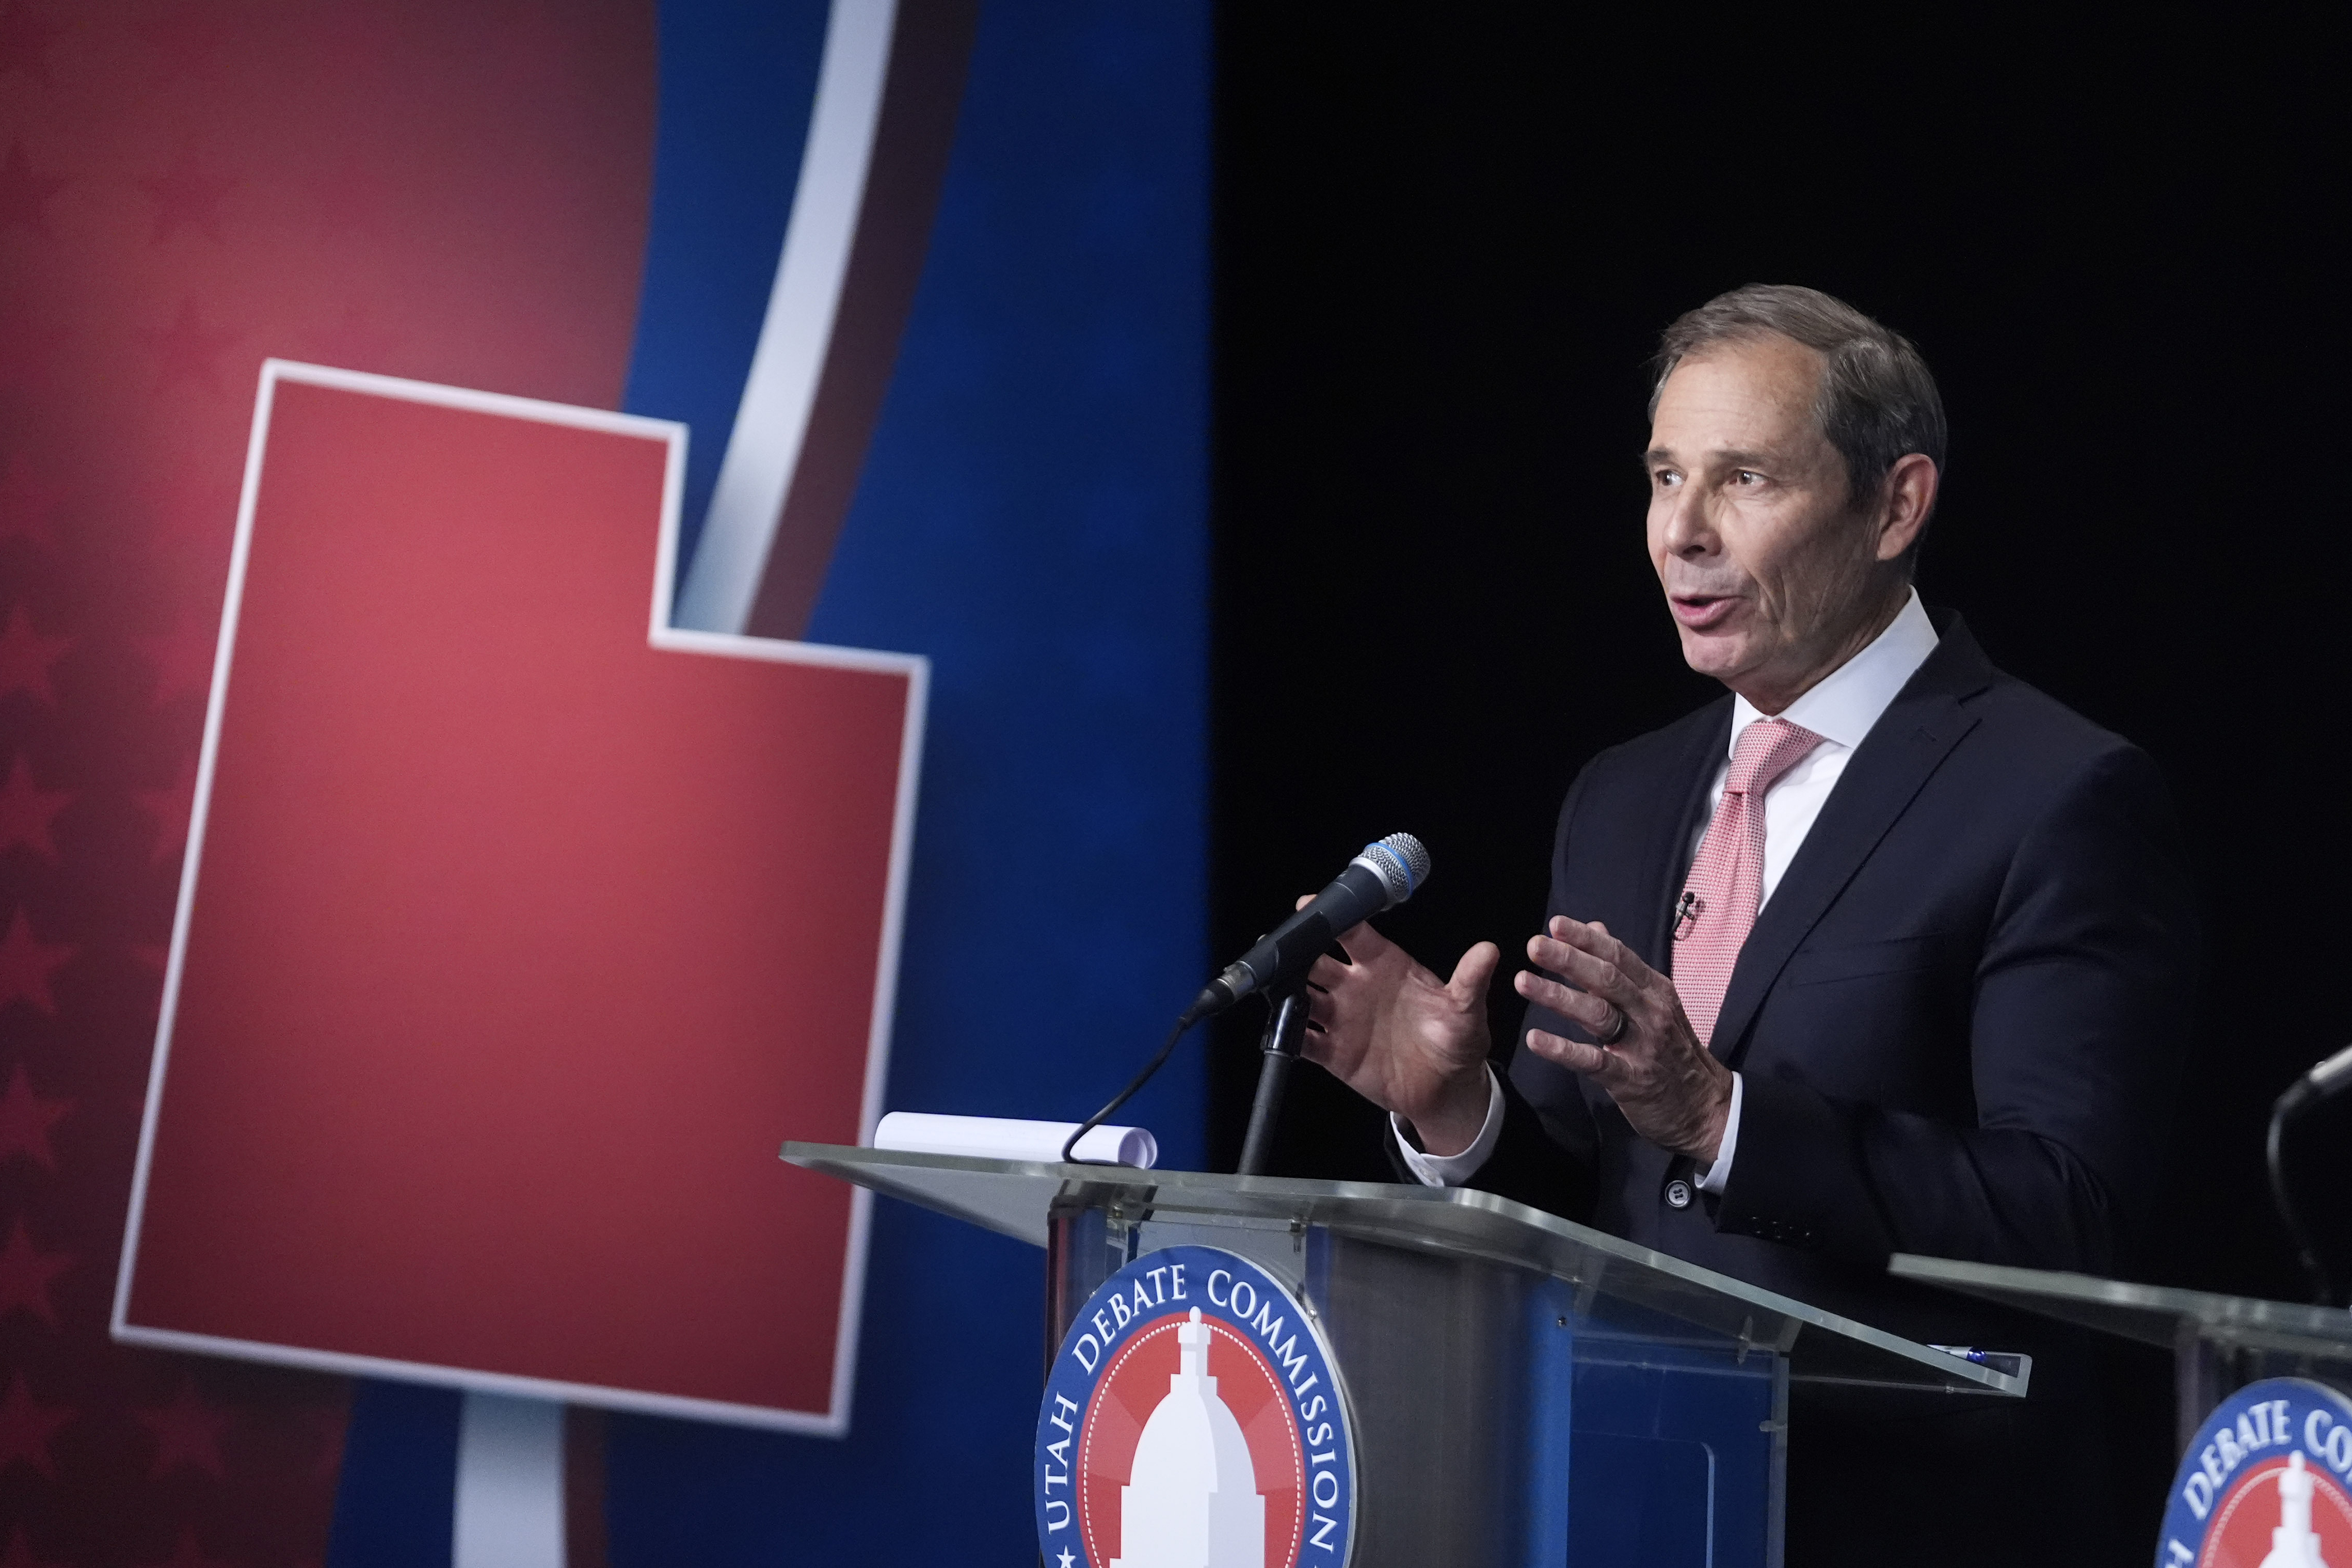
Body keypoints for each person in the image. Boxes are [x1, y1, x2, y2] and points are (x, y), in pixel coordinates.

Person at [1297, 284, 2196, 1564]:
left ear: (1894, 505)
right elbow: (1606, 1195)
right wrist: (1458, 1110)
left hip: (1910, 1524)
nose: (1680, 533)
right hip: (1626, 1508)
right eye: (1663, 477)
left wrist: (1724, 1119)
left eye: (1743, 480)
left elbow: (2070, 1212)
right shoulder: (1621, 794)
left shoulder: (2057, 794)